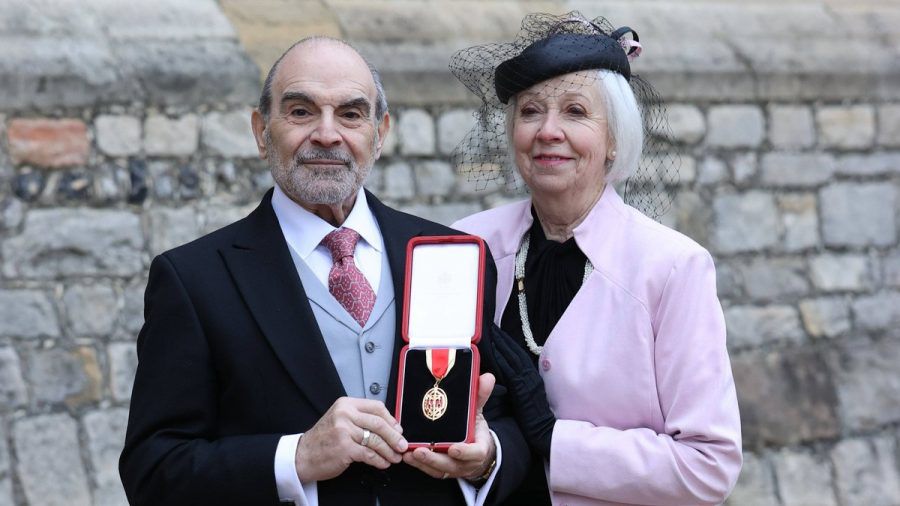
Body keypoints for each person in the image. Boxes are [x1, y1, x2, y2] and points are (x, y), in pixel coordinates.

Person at [119, 36, 529, 506]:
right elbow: (153, 471)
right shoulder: (193, 279)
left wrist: (487, 457)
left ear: (381, 133)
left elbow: (504, 418)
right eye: (300, 112)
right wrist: (295, 457)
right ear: (261, 130)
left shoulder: (454, 255)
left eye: (351, 114)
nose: (328, 134)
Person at [450, 12, 743, 505]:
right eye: (530, 111)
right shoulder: (463, 246)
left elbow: (708, 466)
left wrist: (552, 437)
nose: (548, 131)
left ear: (613, 141)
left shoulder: (672, 268)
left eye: (575, 111)